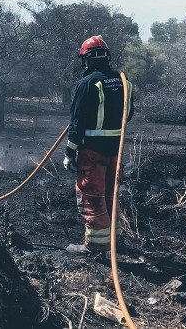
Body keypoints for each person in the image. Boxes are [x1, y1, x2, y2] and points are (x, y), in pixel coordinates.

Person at [63, 35, 133, 253]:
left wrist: (69, 152)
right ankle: (115, 239)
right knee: (111, 194)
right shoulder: (124, 82)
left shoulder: (87, 83)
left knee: (92, 196)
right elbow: (127, 115)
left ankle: (96, 245)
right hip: (116, 150)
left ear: (87, 59)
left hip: (92, 151)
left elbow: (77, 123)